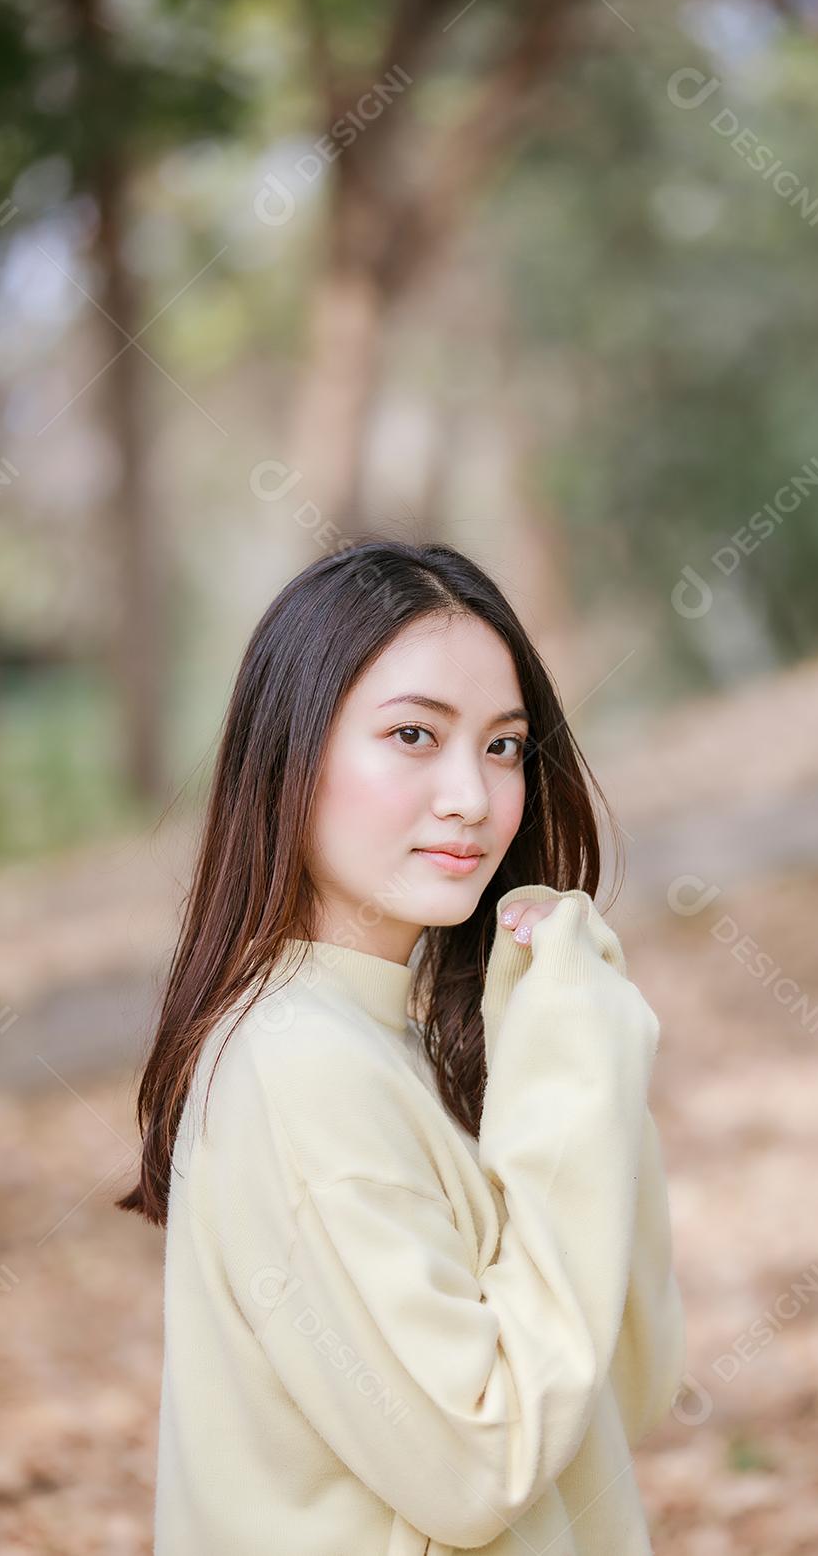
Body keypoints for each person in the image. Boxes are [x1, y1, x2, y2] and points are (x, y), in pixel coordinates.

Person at [118, 539, 686, 1555]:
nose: (472, 795)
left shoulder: (428, 1034)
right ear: (292, 755)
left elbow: (624, 1384)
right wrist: (570, 1078)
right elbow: (485, 1465)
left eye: (504, 745)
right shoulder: (298, 1064)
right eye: (415, 735)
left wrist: (570, 1061)